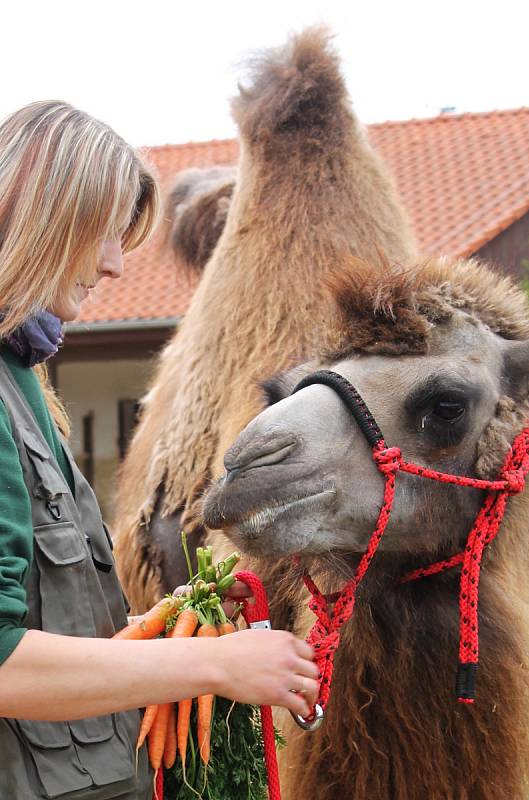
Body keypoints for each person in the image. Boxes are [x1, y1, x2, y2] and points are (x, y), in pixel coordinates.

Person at [0, 101, 318, 799]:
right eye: (106, 235)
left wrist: (174, 628)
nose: (116, 265)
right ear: (45, 218)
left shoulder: (21, 378)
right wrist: (212, 667)